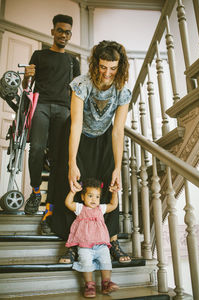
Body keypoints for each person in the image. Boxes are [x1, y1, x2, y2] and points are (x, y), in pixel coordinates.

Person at [51, 40, 132, 264]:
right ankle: (72, 243)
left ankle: (112, 239)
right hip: (79, 136)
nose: (107, 73)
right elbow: (76, 124)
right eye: (103, 66)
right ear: (96, 64)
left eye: (113, 68)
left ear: (120, 66)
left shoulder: (122, 91)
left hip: (104, 138)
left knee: (111, 183)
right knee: (76, 184)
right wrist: (72, 163)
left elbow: (117, 131)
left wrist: (117, 167)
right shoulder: (81, 84)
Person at [22, 14, 80, 236]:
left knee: (59, 160)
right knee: (36, 148)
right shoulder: (39, 54)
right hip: (43, 105)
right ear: (53, 31)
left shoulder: (73, 62)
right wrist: (27, 77)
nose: (63, 35)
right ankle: (36, 191)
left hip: (64, 110)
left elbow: (77, 92)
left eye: (67, 32)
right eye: (60, 30)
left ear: (69, 35)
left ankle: (49, 210)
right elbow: (27, 85)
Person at [65, 178, 119, 298]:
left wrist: (114, 193)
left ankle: (106, 283)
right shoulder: (80, 208)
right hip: (85, 246)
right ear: (83, 197)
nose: (94, 200)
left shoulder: (101, 209)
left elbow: (113, 205)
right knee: (86, 263)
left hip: (101, 245)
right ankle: (89, 285)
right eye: (90, 196)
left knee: (106, 262)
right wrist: (73, 192)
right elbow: (68, 203)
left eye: (97, 197)